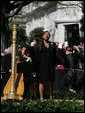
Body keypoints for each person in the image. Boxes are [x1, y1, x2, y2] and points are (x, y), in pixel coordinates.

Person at [39, 31, 56, 102]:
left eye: (48, 35)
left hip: (50, 65)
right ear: (43, 36)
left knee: (51, 81)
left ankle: (51, 96)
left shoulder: (52, 44)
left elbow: (55, 54)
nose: (47, 36)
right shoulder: (39, 44)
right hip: (42, 65)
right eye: (45, 34)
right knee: (41, 81)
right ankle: (41, 97)